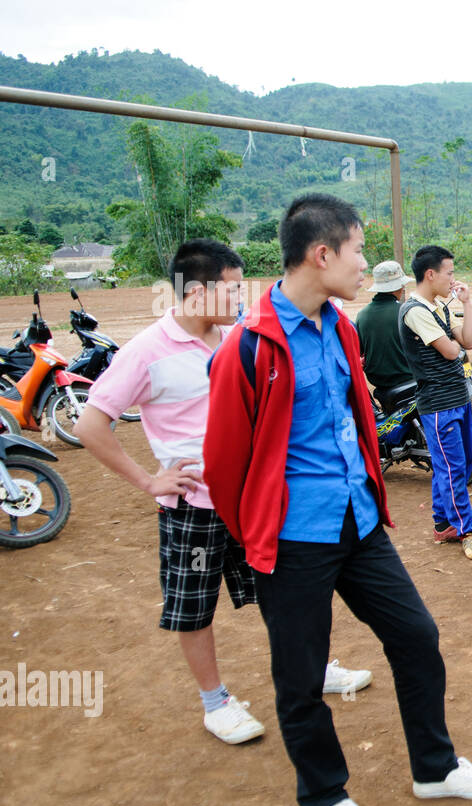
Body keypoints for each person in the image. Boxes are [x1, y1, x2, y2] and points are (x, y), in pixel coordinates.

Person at [204, 193, 472, 806]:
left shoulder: (340, 327)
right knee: (301, 674)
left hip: (359, 521)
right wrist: (260, 532)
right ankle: (324, 793)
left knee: (417, 635)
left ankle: (435, 767)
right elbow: (223, 464)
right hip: (292, 537)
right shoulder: (248, 348)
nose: (366, 263)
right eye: (358, 249)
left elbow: (354, 418)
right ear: (322, 254)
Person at [75, 238, 372, 749]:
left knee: (283, 591)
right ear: (195, 292)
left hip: (254, 496)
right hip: (195, 505)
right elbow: (90, 423)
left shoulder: (237, 338)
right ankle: (215, 702)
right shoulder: (147, 351)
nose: (241, 299)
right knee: (194, 606)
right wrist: (150, 480)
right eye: (233, 289)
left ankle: (314, 667)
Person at [399, 244, 472, 560]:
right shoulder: (414, 311)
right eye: (449, 273)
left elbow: (469, 341)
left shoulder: (438, 307)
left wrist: (466, 303)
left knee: (456, 466)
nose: (453, 279)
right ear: (430, 274)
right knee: (451, 470)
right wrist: (456, 346)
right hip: (438, 404)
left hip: (457, 398)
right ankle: (467, 531)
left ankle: (443, 525)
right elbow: (452, 351)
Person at [355, 260, 415, 391]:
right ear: (398, 287)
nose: (403, 287)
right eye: (402, 285)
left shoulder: (362, 315)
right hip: (409, 378)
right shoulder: (405, 311)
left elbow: (360, 352)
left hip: (379, 382)